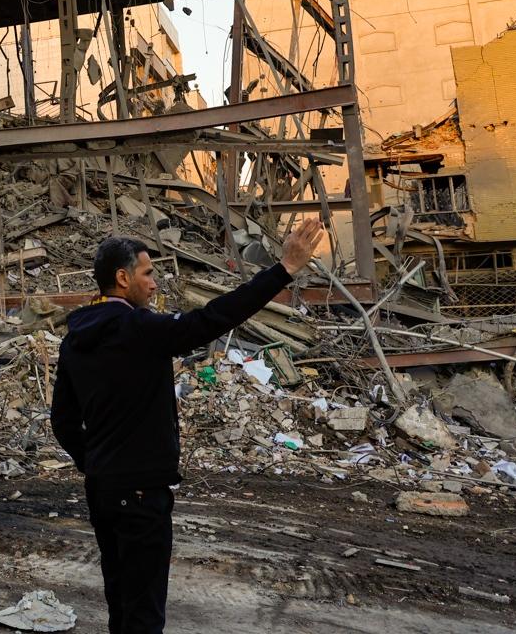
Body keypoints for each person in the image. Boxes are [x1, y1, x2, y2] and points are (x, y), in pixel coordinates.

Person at [50, 219, 326, 633]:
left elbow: (63, 420)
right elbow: (213, 318)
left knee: (121, 602)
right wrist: (283, 269)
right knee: (143, 613)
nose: (154, 284)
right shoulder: (139, 329)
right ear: (123, 278)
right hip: (141, 492)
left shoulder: (75, 339)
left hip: (103, 489)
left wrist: (94, 463)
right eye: (148, 274)